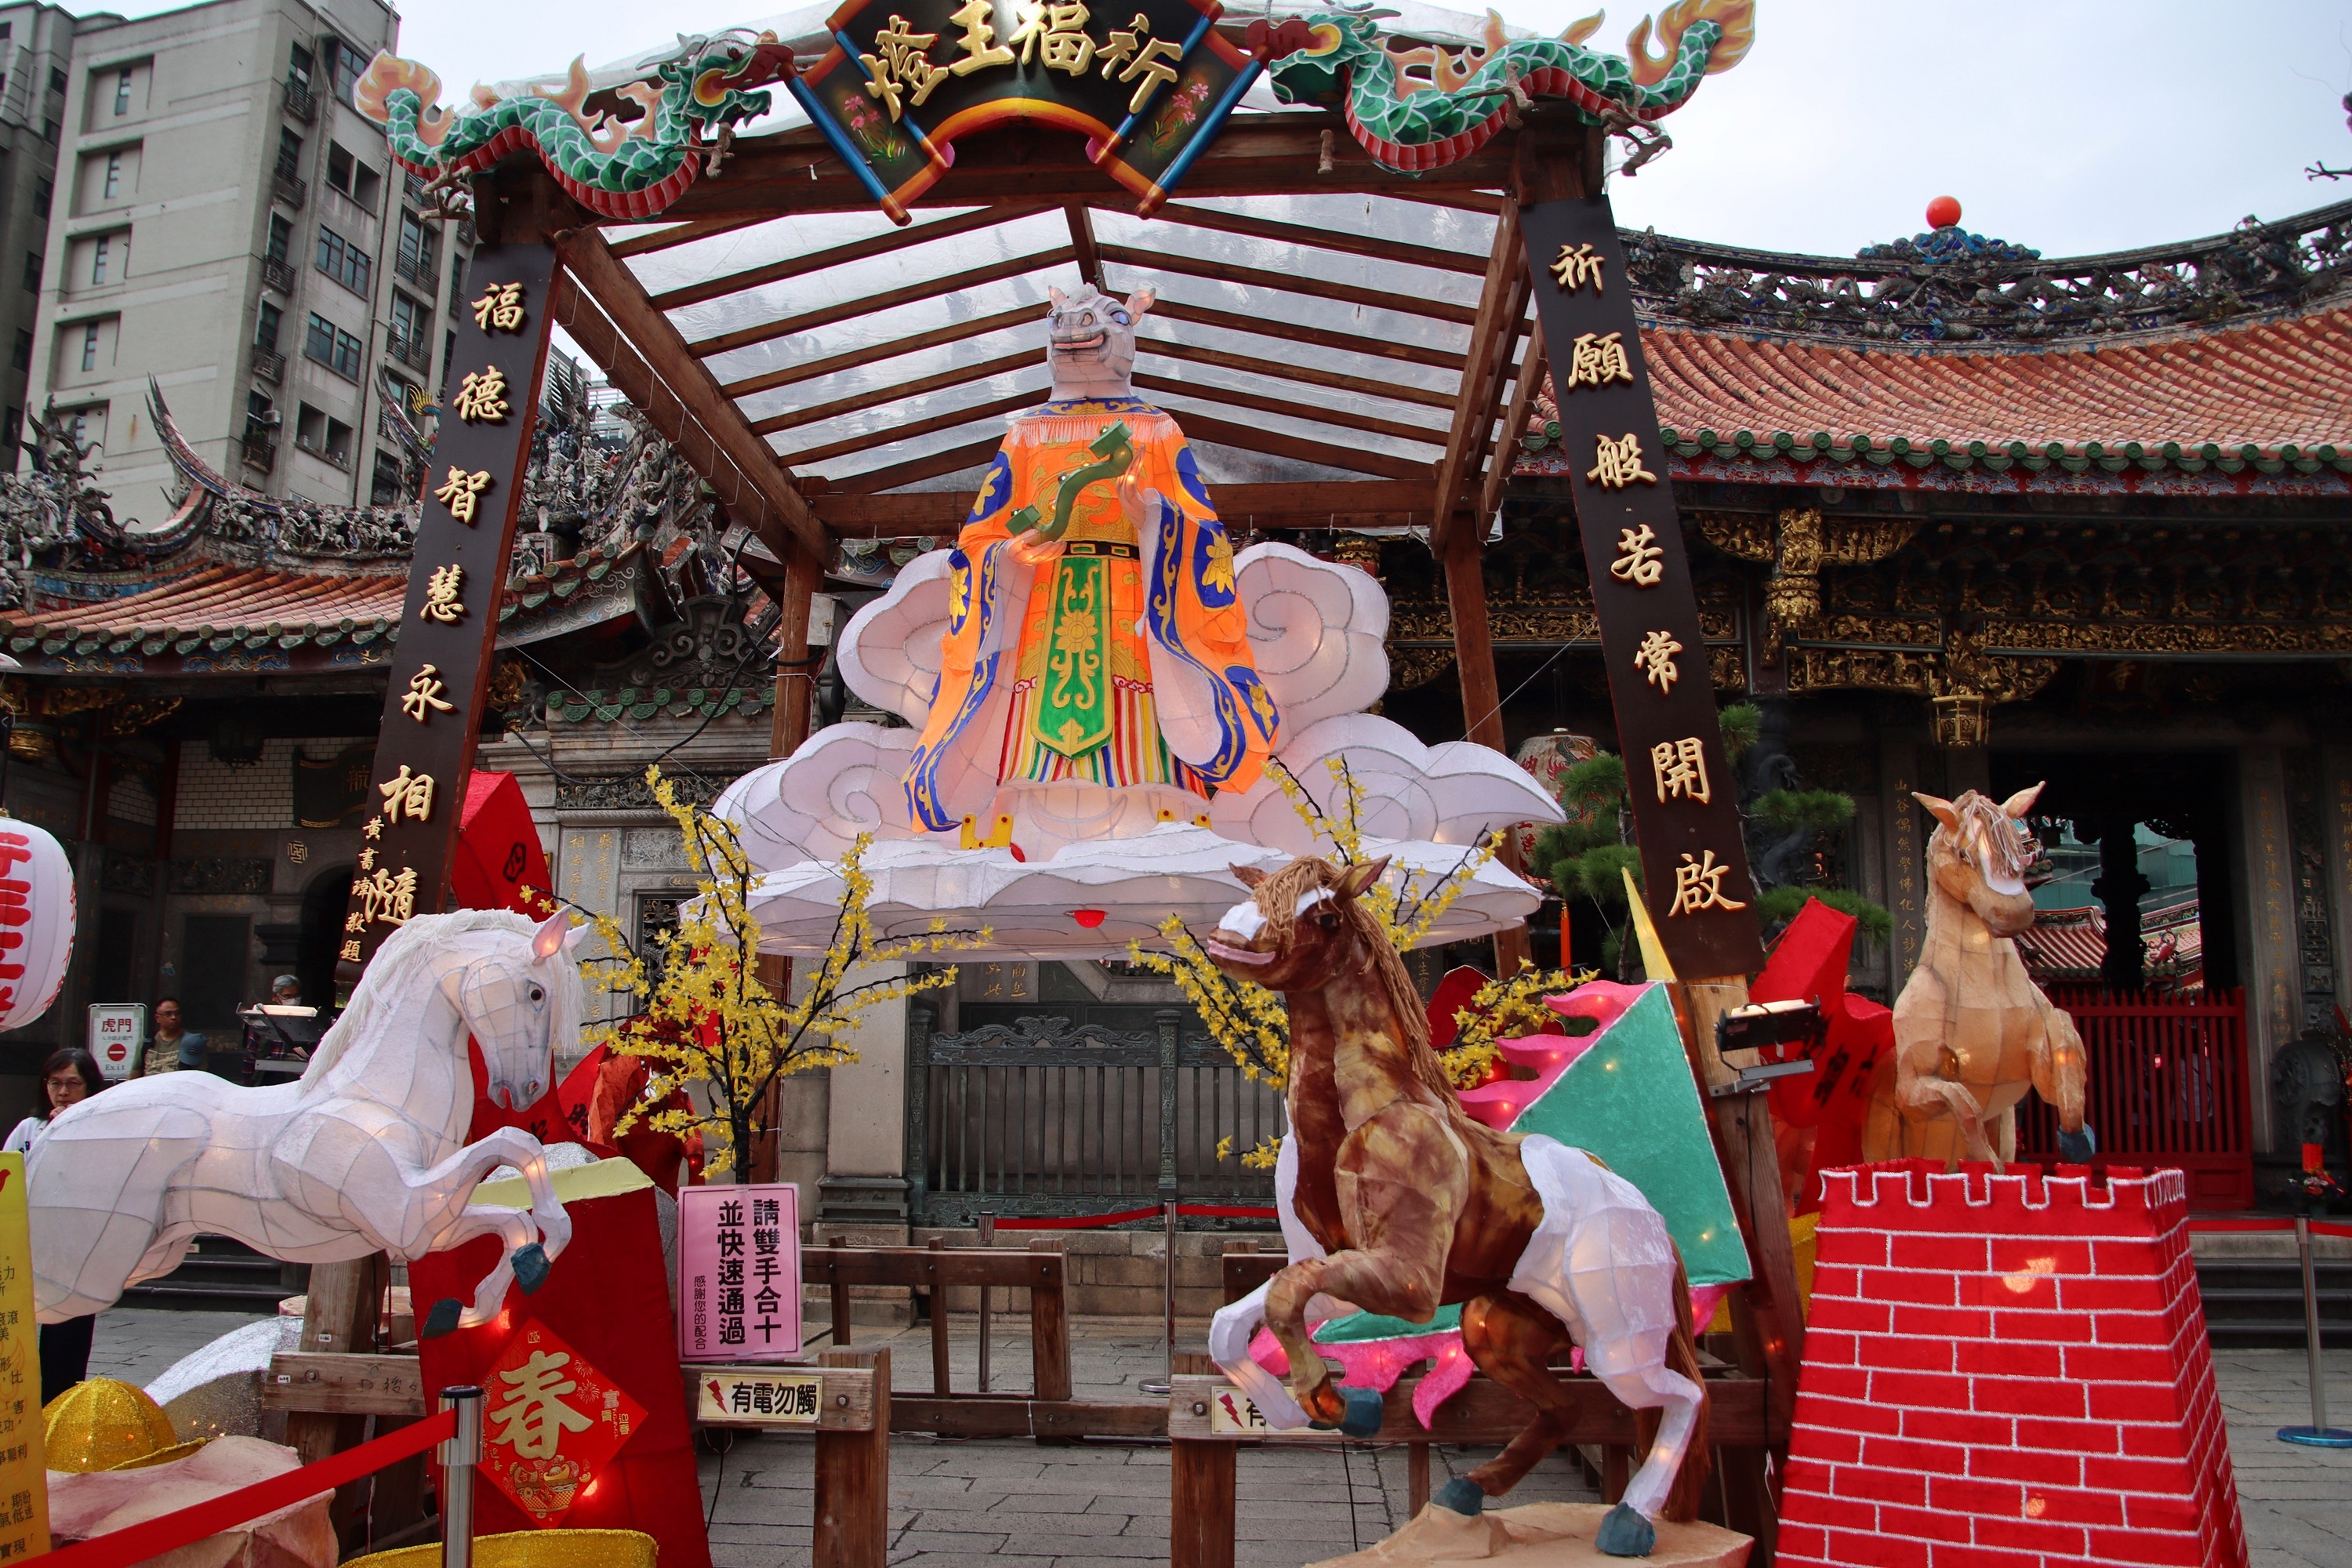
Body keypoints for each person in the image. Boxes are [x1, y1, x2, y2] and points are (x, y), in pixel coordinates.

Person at [5, 1048, 103, 1403]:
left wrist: (70, 1130)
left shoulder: (103, 1130)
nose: (63, 1092)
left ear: (89, 1086)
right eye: (55, 1083)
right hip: (29, 1244)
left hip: (75, 1250)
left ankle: (58, 1408)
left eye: (73, 1083)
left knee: (67, 1341)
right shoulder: (28, 1129)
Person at [140, 996, 205, 1076]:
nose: (174, 1017)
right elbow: (136, 1072)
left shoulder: (192, 1042)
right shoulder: (146, 1041)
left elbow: (200, 1075)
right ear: (157, 1018)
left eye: (177, 1013)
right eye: (168, 1014)